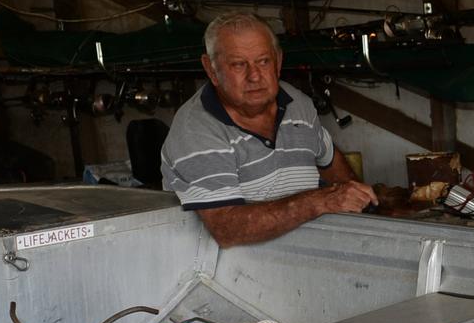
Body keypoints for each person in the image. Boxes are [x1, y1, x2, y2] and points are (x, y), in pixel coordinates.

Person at [160, 12, 376, 247]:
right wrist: (319, 201)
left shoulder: (298, 104)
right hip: (220, 277)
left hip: (302, 260)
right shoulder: (196, 130)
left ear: (279, 61)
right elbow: (228, 229)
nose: (254, 76)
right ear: (211, 69)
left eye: (263, 61)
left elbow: (330, 160)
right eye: (238, 65)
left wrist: (360, 207)